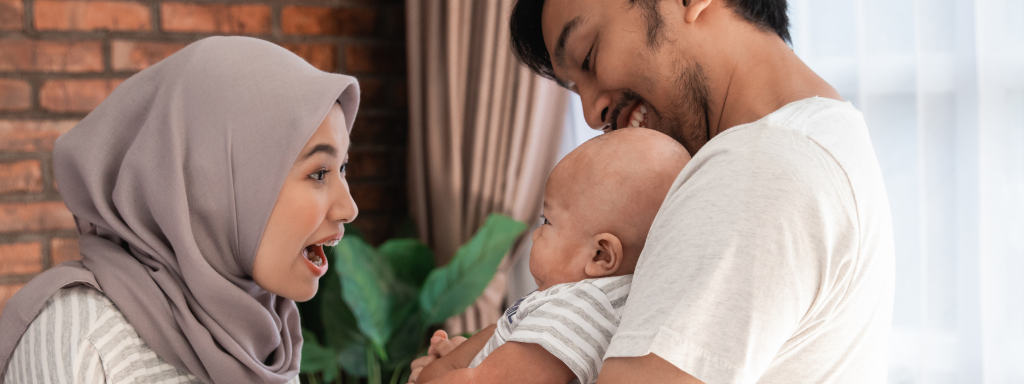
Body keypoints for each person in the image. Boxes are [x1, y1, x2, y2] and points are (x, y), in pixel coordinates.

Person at [489, 0, 895, 383]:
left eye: (590, 56)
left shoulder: (754, 168)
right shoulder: (819, 136)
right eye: (576, 89)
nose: (591, 114)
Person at [0, 36, 360, 384]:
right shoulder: (83, 336)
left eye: (342, 168)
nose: (349, 208)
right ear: (213, 178)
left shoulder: (271, 338)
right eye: (319, 172)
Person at [408, 128, 691, 384]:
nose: (535, 234)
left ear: (601, 255)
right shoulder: (583, 302)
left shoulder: (580, 308)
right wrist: (467, 357)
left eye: (547, 221)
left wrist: (433, 376)